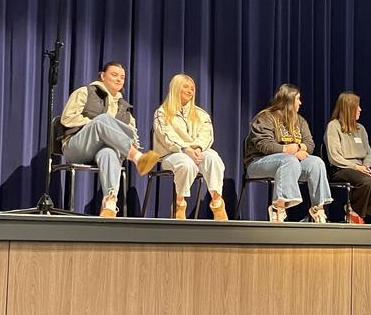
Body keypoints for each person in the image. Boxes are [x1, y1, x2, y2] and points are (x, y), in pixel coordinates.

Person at [59, 61, 159, 217]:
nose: (119, 79)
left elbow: (132, 134)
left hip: (101, 150)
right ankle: (137, 158)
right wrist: (95, 125)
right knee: (103, 120)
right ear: (102, 76)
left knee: (109, 152)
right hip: (77, 146)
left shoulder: (125, 108)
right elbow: (67, 118)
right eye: (114, 75)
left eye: (122, 77)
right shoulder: (85, 92)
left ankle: (110, 203)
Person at [243, 83, 332, 223]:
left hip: (291, 163)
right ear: (289, 100)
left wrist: (296, 148)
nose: (301, 103)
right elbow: (264, 145)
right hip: (259, 163)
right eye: (298, 99)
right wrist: (287, 151)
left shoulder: (300, 121)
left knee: (316, 162)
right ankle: (278, 209)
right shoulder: (265, 117)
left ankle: (318, 209)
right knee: (288, 161)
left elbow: (310, 145)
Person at [152, 74, 228, 221]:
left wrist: (198, 148)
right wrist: (186, 149)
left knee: (213, 158)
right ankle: (179, 203)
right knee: (186, 164)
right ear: (175, 88)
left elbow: (207, 135)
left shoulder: (201, 114)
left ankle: (217, 203)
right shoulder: (162, 113)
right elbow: (166, 136)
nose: (189, 91)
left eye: (192, 88)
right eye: (185, 87)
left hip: (197, 151)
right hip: (171, 154)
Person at [324, 92, 371, 224]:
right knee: (366, 181)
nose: (360, 110)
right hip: (342, 168)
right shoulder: (334, 126)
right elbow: (334, 156)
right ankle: (356, 213)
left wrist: (366, 166)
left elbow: (368, 152)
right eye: (358, 107)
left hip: (362, 168)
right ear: (348, 108)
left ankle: (357, 212)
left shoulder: (360, 128)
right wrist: (356, 167)